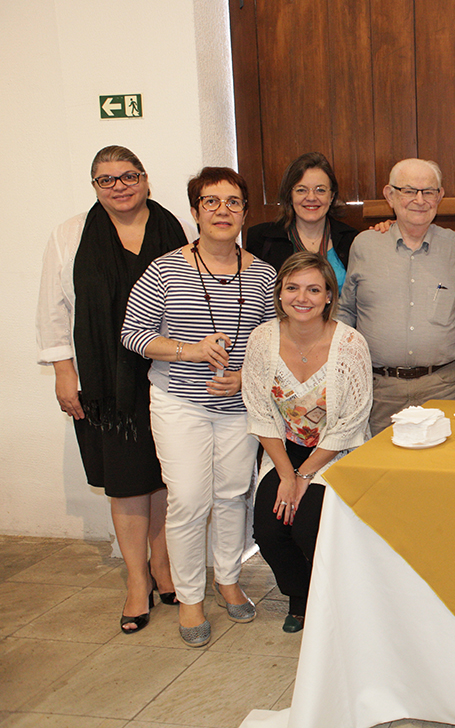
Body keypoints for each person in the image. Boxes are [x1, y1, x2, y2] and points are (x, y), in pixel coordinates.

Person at [121, 167, 277, 647]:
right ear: (195, 212)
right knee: (189, 499)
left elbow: (270, 343)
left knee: (233, 495)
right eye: (211, 202)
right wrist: (188, 350)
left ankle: (227, 579)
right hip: (178, 403)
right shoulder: (166, 268)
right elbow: (133, 335)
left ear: (245, 213)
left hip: (238, 407)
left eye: (232, 202)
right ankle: (190, 598)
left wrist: (245, 375)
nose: (222, 210)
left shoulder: (264, 274)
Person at [37, 146, 188, 634]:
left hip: (166, 375)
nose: (119, 186)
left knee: (164, 476)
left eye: (128, 176)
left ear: (145, 178)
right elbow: (54, 310)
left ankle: (164, 568)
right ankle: (135, 579)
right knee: (126, 482)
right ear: (94, 186)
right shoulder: (71, 235)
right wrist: (64, 373)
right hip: (105, 384)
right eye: (106, 179)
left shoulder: (174, 229)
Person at [243, 252, 372, 632]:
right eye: (293, 288)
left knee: (307, 525)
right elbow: (260, 412)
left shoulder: (350, 344)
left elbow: (352, 421)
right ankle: (300, 595)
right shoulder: (262, 338)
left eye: (314, 289)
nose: (303, 297)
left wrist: (304, 476)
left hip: (336, 451)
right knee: (268, 529)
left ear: (329, 295)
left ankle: (335, 598)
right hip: (284, 452)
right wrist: (287, 474)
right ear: (280, 294)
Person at [337, 158, 455, 434]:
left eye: (428, 191)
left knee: (443, 470)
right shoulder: (365, 245)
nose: (419, 200)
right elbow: (345, 312)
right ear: (390, 195)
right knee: (382, 472)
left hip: (442, 388)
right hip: (381, 390)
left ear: (440, 196)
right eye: (409, 191)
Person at [245, 152, 359, 289]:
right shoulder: (262, 239)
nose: (311, 197)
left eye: (320, 190)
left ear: (332, 196)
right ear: (289, 195)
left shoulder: (353, 240)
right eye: (301, 190)